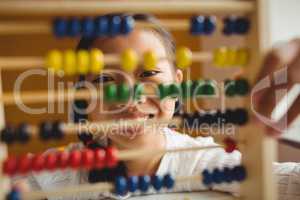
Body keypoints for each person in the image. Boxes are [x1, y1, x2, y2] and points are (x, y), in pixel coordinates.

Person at [13, 14, 300, 200]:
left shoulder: (200, 159)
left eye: (148, 74)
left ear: (177, 85)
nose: (129, 98)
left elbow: (289, 182)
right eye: (103, 79)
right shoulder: (60, 172)